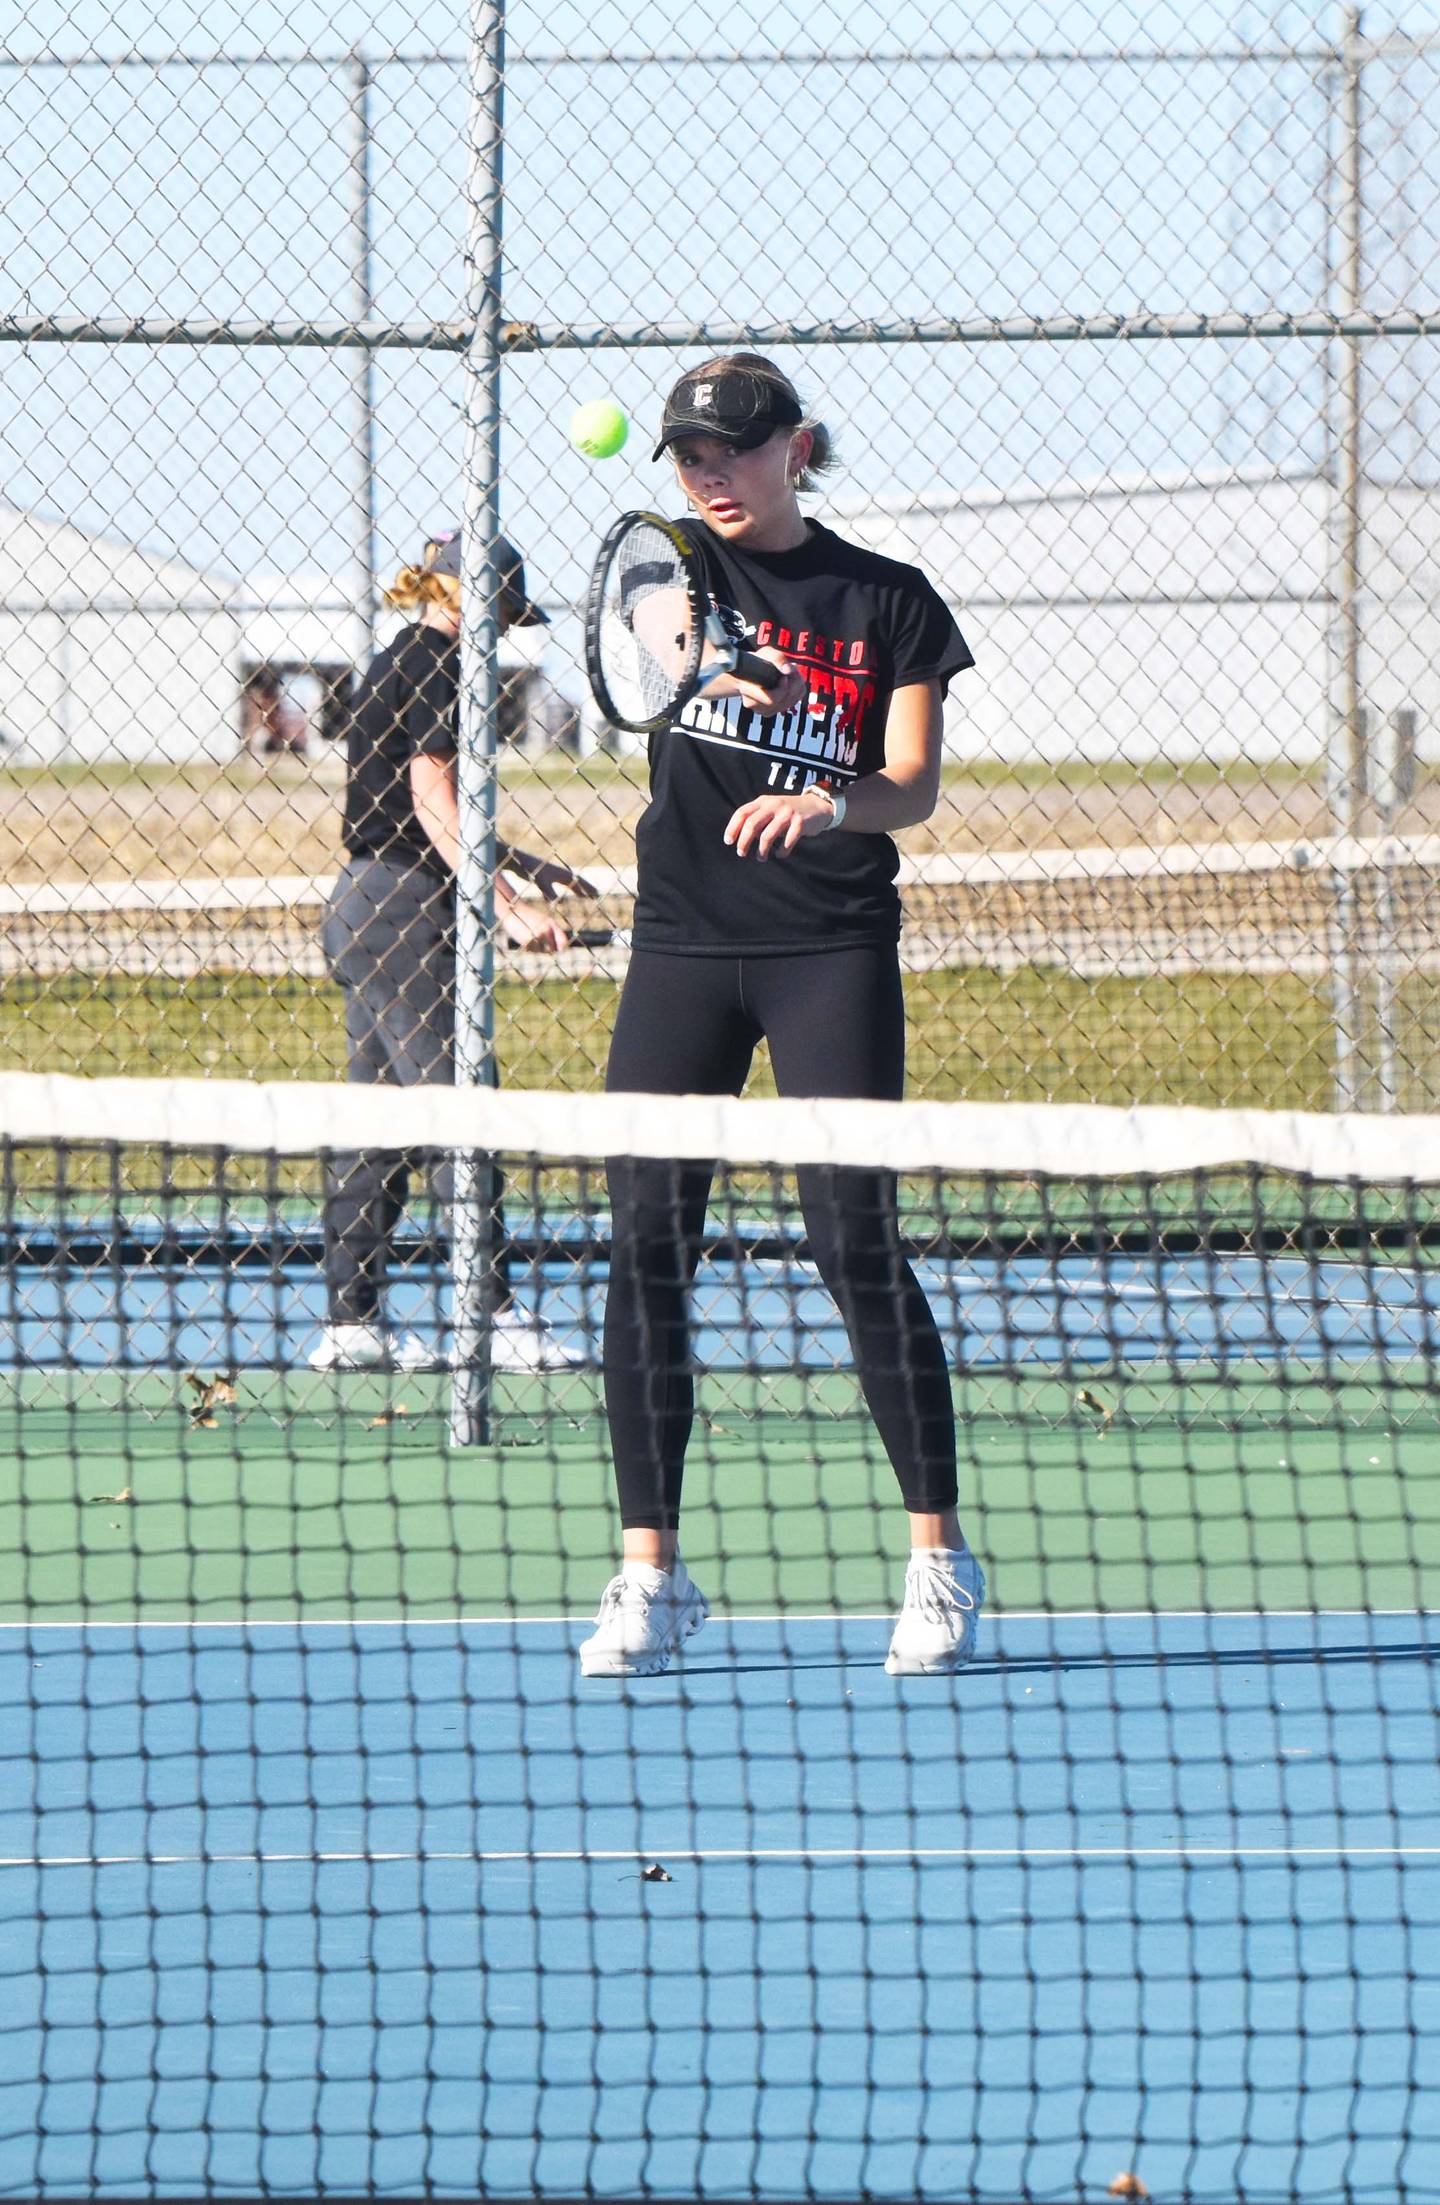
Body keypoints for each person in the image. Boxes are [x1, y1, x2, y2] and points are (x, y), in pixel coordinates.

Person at [579, 354, 984, 1680]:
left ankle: (938, 1560)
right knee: (646, 1241)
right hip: (684, 948)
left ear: (793, 449)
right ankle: (652, 1575)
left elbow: (912, 785)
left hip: (831, 947)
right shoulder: (666, 568)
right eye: (690, 455)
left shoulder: (891, 604)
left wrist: (832, 799)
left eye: (733, 452)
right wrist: (713, 673)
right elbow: (661, 643)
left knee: (852, 1242)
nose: (707, 474)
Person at [311, 528, 598, 1374]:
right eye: (502, 608)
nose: (505, 626)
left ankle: (352, 1321)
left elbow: (414, 803)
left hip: (363, 904)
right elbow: (430, 797)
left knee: (383, 1123)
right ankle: (495, 1316)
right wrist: (502, 905)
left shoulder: (398, 656)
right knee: (463, 1110)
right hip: (404, 912)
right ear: (458, 594)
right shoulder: (440, 665)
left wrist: (518, 860)